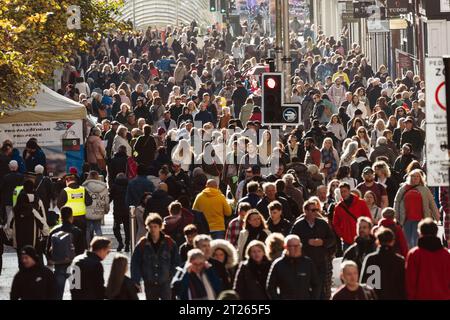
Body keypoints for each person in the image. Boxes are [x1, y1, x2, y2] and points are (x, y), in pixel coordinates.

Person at [290, 199, 336, 300]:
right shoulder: (298, 225)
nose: (316, 212)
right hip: (303, 263)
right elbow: (291, 241)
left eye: (316, 209)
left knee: (320, 288)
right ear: (305, 211)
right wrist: (307, 242)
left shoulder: (323, 224)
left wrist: (323, 242)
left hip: (320, 262)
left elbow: (332, 239)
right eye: (313, 210)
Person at [131, 213, 180, 300]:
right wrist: (136, 280)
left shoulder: (169, 243)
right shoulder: (142, 243)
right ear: (147, 227)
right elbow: (135, 263)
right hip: (149, 282)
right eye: (150, 227)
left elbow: (176, 261)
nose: (153, 229)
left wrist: (171, 275)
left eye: (155, 226)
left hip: (165, 282)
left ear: (160, 227)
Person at [405, 218, 450, 300]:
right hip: (443, 296)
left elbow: (410, 281)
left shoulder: (414, 254)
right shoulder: (446, 254)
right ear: (436, 232)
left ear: (420, 233)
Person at [394, 169, 440, 249]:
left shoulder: (424, 189)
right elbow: (396, 201)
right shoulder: (403, 188)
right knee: (407, 241)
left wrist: (437, 216)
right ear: (409, 177)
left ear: (420, 178)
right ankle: (408, 258)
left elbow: (432, 203)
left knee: (416, 241)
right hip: (406, 219)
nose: (415, 178)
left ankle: (416, 257)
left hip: (420, 220)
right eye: (413, 176)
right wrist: (396, 216)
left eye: (417, 176)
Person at [46, 206, 85, 300]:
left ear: (60, 217)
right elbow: (82, 250)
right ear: (71, 217)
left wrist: (52, 259)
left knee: (57, 294)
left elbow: (47, 250)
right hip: (75, 266)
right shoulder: (77, 231)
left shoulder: (54, 231)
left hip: (59, 266)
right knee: (77, 295)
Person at [266, 234, 320, 300]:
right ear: (286, 247)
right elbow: (270, 287)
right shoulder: (278, 264)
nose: (295, 248)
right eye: (292, 246)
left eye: (297, 246)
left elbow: (316, 285)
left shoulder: (308, 263)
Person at [360, 227, 406, 300]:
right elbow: (403, 286)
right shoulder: (399, 260)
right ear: (393, 241)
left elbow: (364, 284)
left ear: (377, 241)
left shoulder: (370, 259)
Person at [13, 179, 49, 267]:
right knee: (36, 256)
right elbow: (42, 218)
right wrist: (45, 232)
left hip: (19, 237)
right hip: (34, 236)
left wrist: (10, 235)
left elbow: (10, 220)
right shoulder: (37, 200)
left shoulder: (19, 201)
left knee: (22, 257)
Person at [332, 182, 372, 251]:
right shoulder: (338, 207)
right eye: (341, 192)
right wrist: (342, 235)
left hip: (361, 239)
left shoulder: (361, 203)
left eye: (345, 191)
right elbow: (335, 223)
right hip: (346, 241)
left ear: (349, 191)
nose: (343, 194)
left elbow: (368, 219)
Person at [57, 175, 93, 245]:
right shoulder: (82, 189)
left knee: (70, 237)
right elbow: (89, 202)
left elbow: (59, 204)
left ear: (67, 181)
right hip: (81, 218)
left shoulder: (65, 191)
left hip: (70, 218)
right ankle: (82, 251)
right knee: (82, 237)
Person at [82, 171, 109, 245]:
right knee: (98, 228)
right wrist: (106, 210)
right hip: (98, 210)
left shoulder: (84, 187)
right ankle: (101, 245)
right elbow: (106, 201)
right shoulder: (103, 188)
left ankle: (88, 245)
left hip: (87, 211)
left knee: (87, 229)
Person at [109, 173, 130, 252]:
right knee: (127, 228)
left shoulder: (114, 186)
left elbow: (110, 197)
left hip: (117, 210)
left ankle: (120, 242)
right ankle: (127, 244)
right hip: (127, 210)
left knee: (116, 228)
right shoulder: (128, 185)